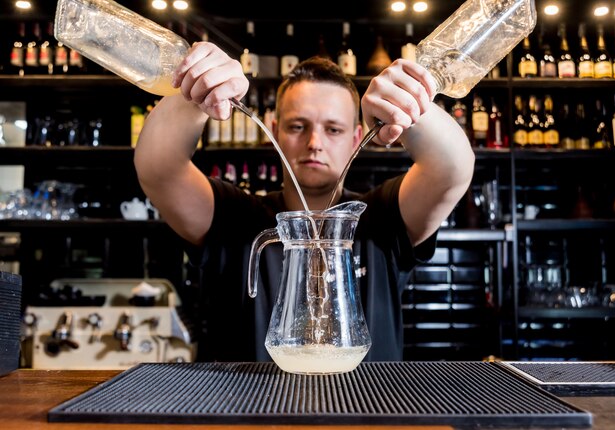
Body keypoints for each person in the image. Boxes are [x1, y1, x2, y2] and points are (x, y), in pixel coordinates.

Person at [134, 42, 474, 362]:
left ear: (358, 136)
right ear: (275, 129)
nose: (314, 143)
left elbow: (451, 169)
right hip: (248, 418)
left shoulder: (380, 218)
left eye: (333, 129)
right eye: (298, 126)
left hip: (369, 416)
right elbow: (158, 168)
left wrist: (411, 111)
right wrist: (197, 96)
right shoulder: (235, 216)